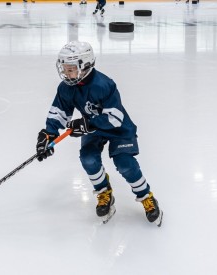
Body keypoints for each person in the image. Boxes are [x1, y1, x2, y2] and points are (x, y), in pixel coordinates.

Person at [35, 41, 163, 226]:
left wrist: (87, 124)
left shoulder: (104, 84)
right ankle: (104, 193)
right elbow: (59, 111)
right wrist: (49, 133)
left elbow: (115, 117)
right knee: (88, 159)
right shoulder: (66, 88)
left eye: (70, 69)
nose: (66, 73)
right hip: (93, 128)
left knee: (125, 164)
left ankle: (145, 196)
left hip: (119, 129)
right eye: (64, 68)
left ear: (85, 65)